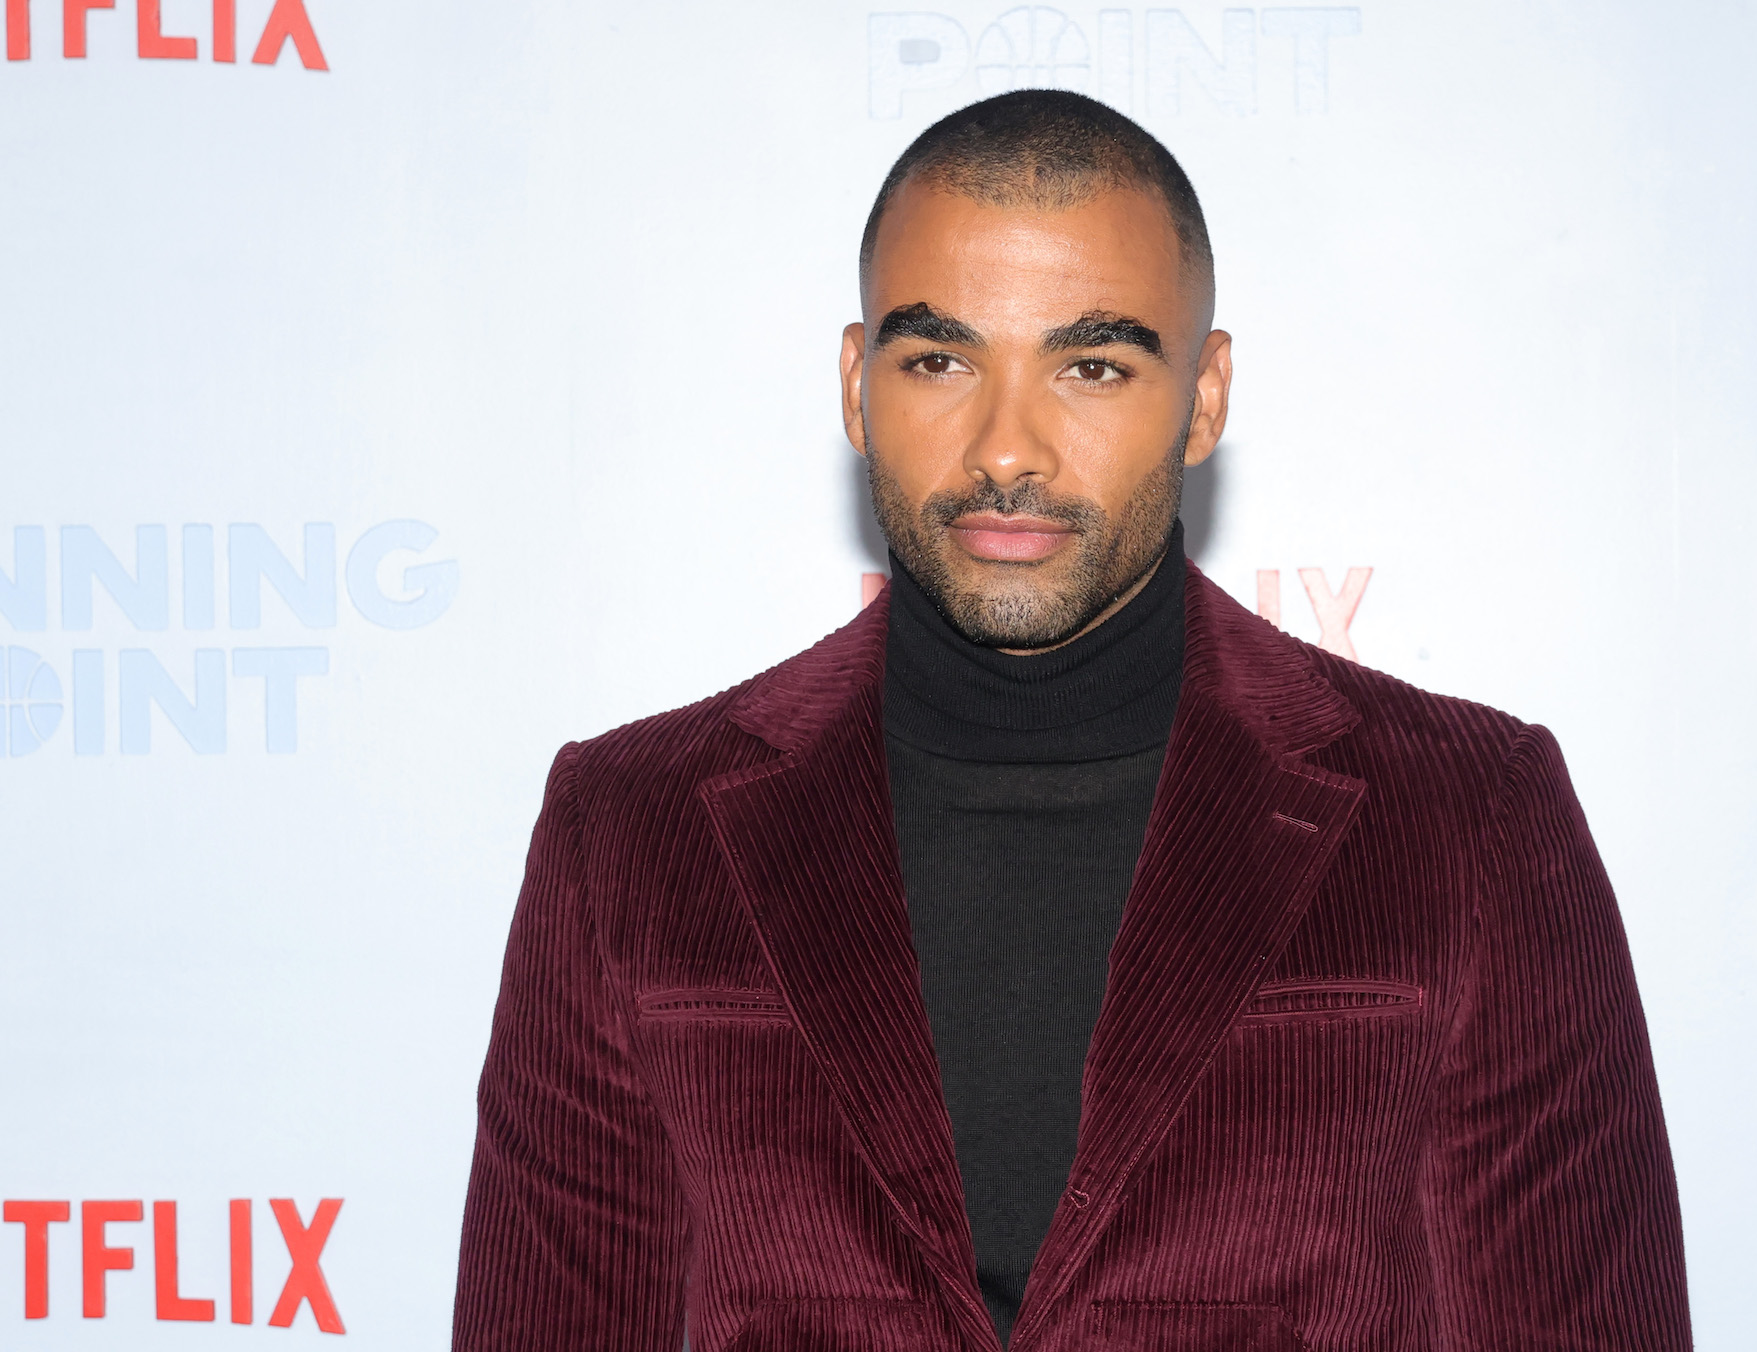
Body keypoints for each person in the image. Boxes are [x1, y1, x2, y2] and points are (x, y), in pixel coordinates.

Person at [452, 90, 1691, 1352]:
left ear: (1203, 399)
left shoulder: (1465, 812)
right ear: (854, 382)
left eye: (1091, 364)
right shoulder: (631, 826)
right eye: (940, 359)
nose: (1007, 449)